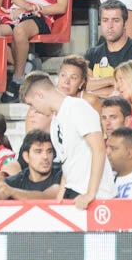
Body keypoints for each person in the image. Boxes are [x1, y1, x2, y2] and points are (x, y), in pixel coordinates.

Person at [19, 72, 104, 207]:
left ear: (39, 95)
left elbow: (99, 148)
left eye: (32, 104)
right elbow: (67, 162)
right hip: (73, 192)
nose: (34, 110)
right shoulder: (56, 121)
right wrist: (60, 199)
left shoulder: (78, 108)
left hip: (96, 194)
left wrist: (90, 193)